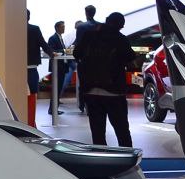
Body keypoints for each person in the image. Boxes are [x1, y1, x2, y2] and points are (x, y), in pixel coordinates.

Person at [73, 10, 134, 147]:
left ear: (106, 20)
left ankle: (101, 157)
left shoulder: (88, 35)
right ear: (121, 26)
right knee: (122, 131)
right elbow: (130, 57)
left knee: (97, 133)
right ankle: (126, 157)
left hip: (90, 90)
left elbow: (77, 53)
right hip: (114, 91)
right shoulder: (120, 39)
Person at [45, 21, 69, 114]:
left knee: (58, 89)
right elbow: (51, 50)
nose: (64, 28)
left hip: (61, 67)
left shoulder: (60, 38)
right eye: (62, 27)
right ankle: (52, 109)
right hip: (57, 67)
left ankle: (55, 108)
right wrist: (64, 50)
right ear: (57, 28)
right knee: (56, 89)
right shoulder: (53, 38)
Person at [25, 10, 45, 98]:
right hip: (32, 66)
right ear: (29, 17)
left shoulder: (13, 29)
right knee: (32, 94)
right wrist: (52, 53)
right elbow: (42, 43)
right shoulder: (35, 29)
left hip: (16, 68)